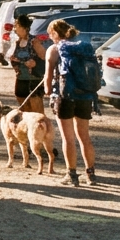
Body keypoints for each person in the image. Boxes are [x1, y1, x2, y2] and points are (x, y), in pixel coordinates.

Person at [43, 19, 97, 187]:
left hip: (64, 96)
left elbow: (48, 77)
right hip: (85, 96)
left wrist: (47, 91)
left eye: (50, 33)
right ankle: (90, 174)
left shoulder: (54, 49)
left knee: (68, 137)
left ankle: (71, 174)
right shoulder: (83, 48)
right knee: (84, 136)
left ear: (54, 33)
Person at [9, 14, 47, 114]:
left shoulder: (34, 41)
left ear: (24, 27)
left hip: (34, 79)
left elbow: (45, 58)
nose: (14, 29)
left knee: (36, 109)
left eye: (16, 26)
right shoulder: (17, 42)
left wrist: (35, 63)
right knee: (24, 109)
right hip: (21, 79)